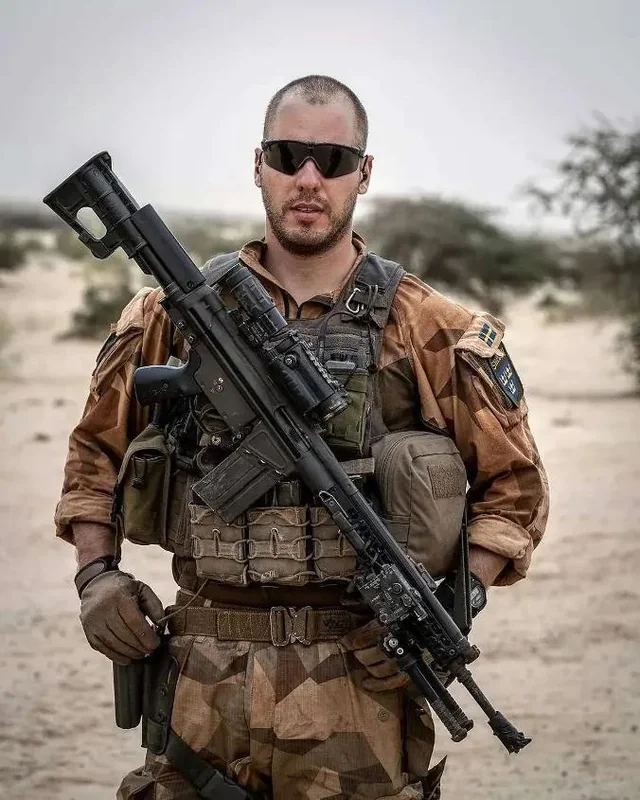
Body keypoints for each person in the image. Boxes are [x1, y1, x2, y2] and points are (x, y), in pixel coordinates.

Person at [55, 75, 550, 800]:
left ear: (365, 174)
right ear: (259, 165)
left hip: (359, 685)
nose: (309, 178)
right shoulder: (171, 314)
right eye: (289, 155)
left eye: (334, 159)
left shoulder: (431, 328)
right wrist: (97, 578)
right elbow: (94, 456)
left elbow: (516, 491)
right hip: (199, 684)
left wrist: (454, 602)